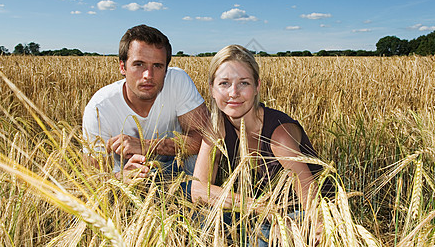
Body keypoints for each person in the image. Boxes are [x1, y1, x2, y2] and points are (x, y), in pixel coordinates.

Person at [191, 44, 329, 245]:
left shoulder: (278, 133)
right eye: (224, 83)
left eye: (244, 83)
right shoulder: (216, 127)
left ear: (257, 87)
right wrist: (254, 206)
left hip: (301, 211)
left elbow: (312, 202)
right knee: (203, 222)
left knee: (262, 239)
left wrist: (312, 230)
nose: (233, 93)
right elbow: (198, 191)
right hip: (260, 209)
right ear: (212, 89)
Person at [82, 24, 208, 183]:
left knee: (199, 159)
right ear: (123, 66)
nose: (148, 75)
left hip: (178, 167)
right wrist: (120, 179)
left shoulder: (178, 81)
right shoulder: (100, 108)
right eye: (139, 64)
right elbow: (93, 177)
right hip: (130, 175)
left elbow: (205, 138)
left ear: (166, 69)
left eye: (157, 66)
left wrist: (145, 146)